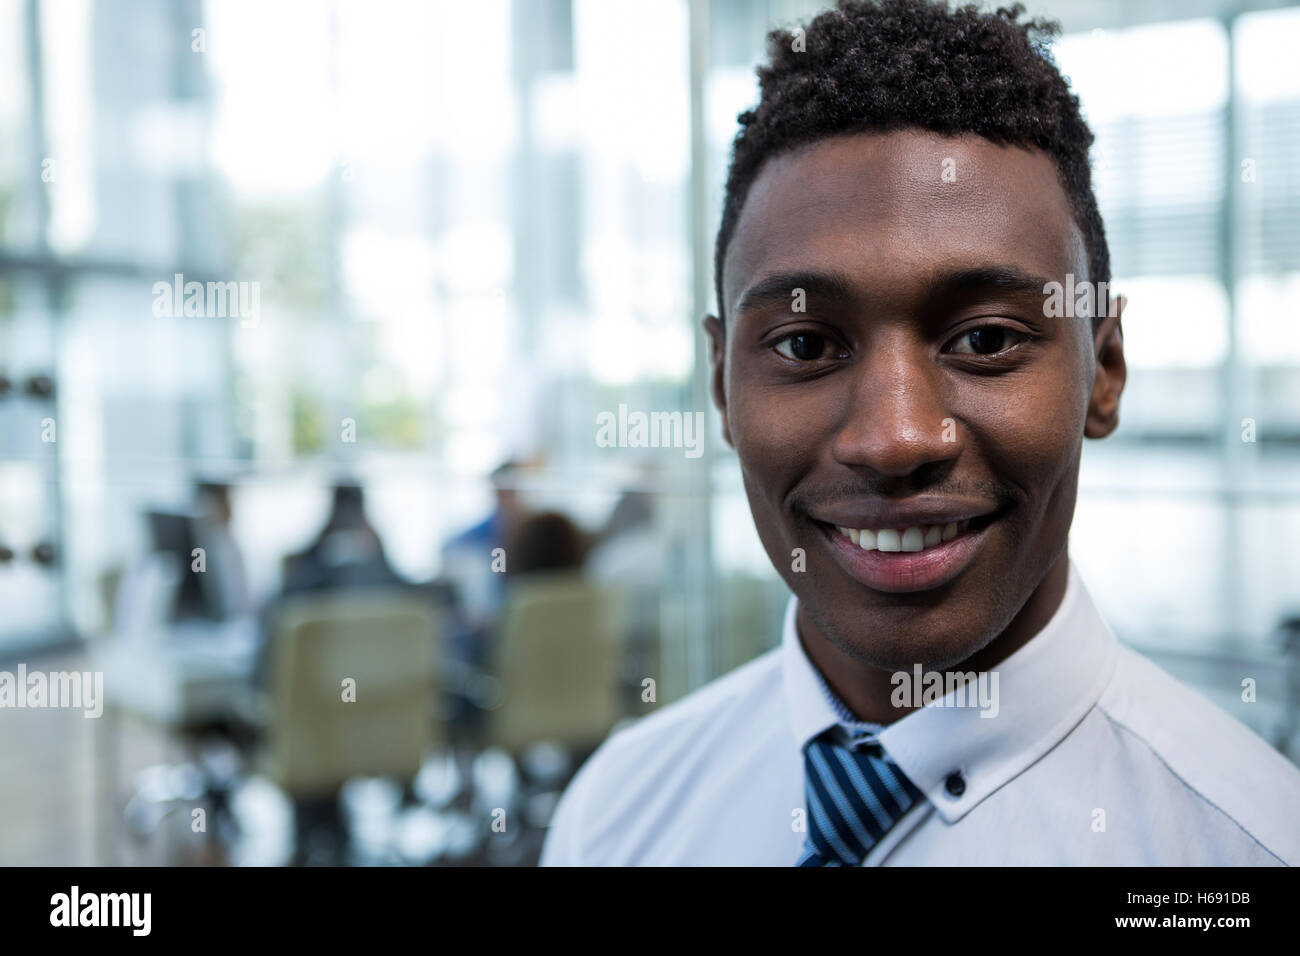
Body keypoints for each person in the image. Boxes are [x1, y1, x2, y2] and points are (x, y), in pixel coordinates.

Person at [542, 0, 1300, 866]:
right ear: (721, 381)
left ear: (1106, 370)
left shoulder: (1245, 853)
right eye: (804, 344)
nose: (896, 438)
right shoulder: (614, 817)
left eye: (984, 340)